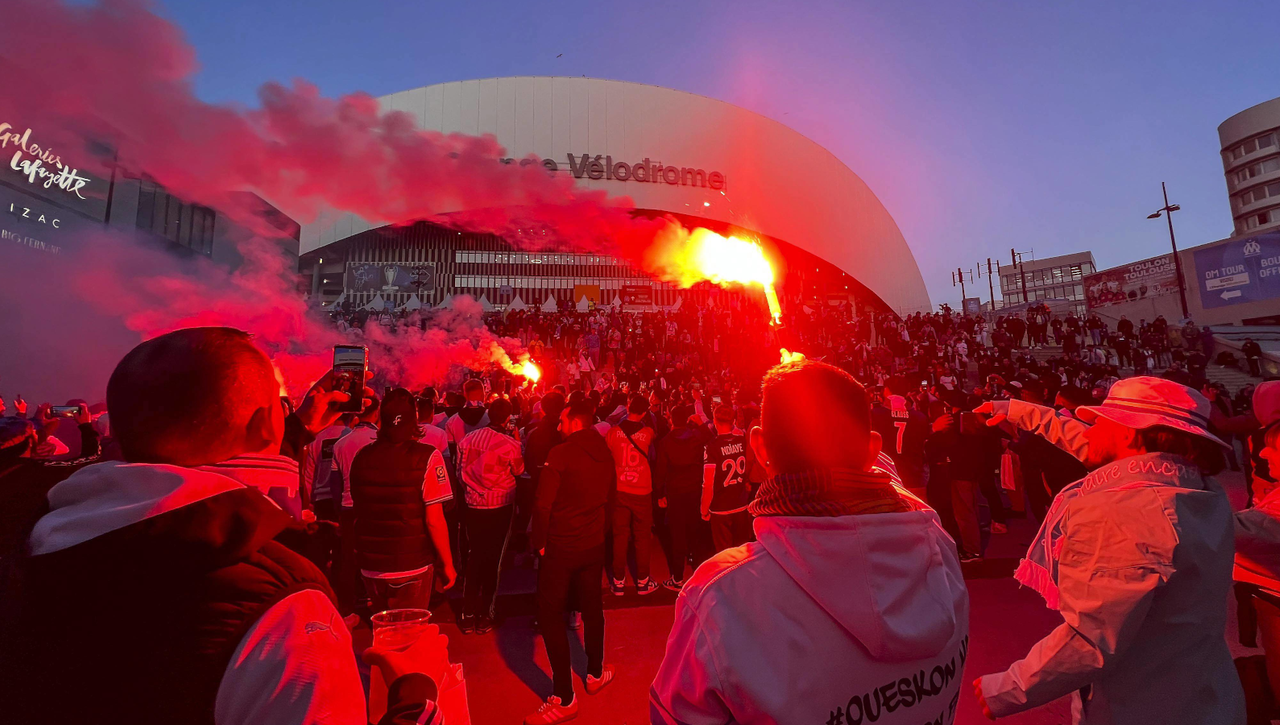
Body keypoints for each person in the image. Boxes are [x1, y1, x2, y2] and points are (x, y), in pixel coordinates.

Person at [0, 327, 443, 725]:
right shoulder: (283, 611)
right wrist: (416, 698)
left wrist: (297, 428)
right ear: (265, 421)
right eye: (276, 403)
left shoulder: (29, 537)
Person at [650, 360, 970, 725]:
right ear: (872, 450)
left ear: (758, 445)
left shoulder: (721, 598)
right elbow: (896, 492)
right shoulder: (940, 548)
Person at [973, 376, 1245, 724]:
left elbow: (1093, 637)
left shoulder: (1127, 511)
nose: (1085, 429)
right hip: (1200, 693)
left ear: (1130, 433)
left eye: (1098, 421)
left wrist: (1006, 688)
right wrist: (1015, 410)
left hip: (1141, 706)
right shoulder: (1194, 488)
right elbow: (1083, 441)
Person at [528, 398, 618, 725]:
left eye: (563, 420)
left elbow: (542, 505)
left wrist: (539, 542)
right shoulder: (605, 452)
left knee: (550, 615)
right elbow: (612, 499)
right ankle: (594, 673)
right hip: (592, 546)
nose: (558, 425)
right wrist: (599, 534)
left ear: (575, 422)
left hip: (562, 547)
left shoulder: (561, 454)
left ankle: (564, 697)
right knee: (592, 609)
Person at [349, 387, 456, 616]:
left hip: (371, 565)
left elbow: (357, 509)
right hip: (413, 564)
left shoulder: (361, 456)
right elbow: (434, 520)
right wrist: (447, 563)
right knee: (409, 640)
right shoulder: (429, 455)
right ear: (413, 419)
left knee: (384, 635)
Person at [457, 397, 524, 633]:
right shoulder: (510, 445)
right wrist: (517, 441)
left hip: (473, 505)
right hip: (500, 506)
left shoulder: (467, 440)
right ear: (507, 419)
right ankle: (486, 614)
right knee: (493, 560)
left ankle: (467, 614)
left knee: (474, 557)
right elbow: (519, 470)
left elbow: (459, 472)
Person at [605, 393, 660, 595]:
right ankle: (643, 582)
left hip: (620, 490)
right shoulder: (648, 433)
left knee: (620, 536)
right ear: (645, 412)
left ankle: (618, 581)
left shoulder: (613, 433)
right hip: (643, 490)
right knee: (642, 537)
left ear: (628, 408)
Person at [654, 403, 714, 590]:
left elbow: (660, 471)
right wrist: (699, 423)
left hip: (675, 492)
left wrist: (659, 494)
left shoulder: (665, 442)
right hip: (695, 490)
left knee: (677, 535)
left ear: (671, 420)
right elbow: (711, 436)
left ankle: (678, 578)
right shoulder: (696, 436)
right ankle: (698, 574)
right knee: (696, 533)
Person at [332, 393, 381, 613]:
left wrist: (338, 511)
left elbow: (335, 483)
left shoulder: (342, 443)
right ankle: (375, 601)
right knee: (374, 556)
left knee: (347, 559)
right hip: (374, 507)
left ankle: (346, 606)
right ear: (377, 413)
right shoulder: (380, 440)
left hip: (348, 506)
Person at [702, 402, 754, 552]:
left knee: (724, 555)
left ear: (715, 422)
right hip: (741, 504)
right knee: (741, 553)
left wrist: (704, 508)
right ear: (732, 422)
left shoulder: (711, 446)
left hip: (720, 508)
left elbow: (708, 482)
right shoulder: (741, 440)